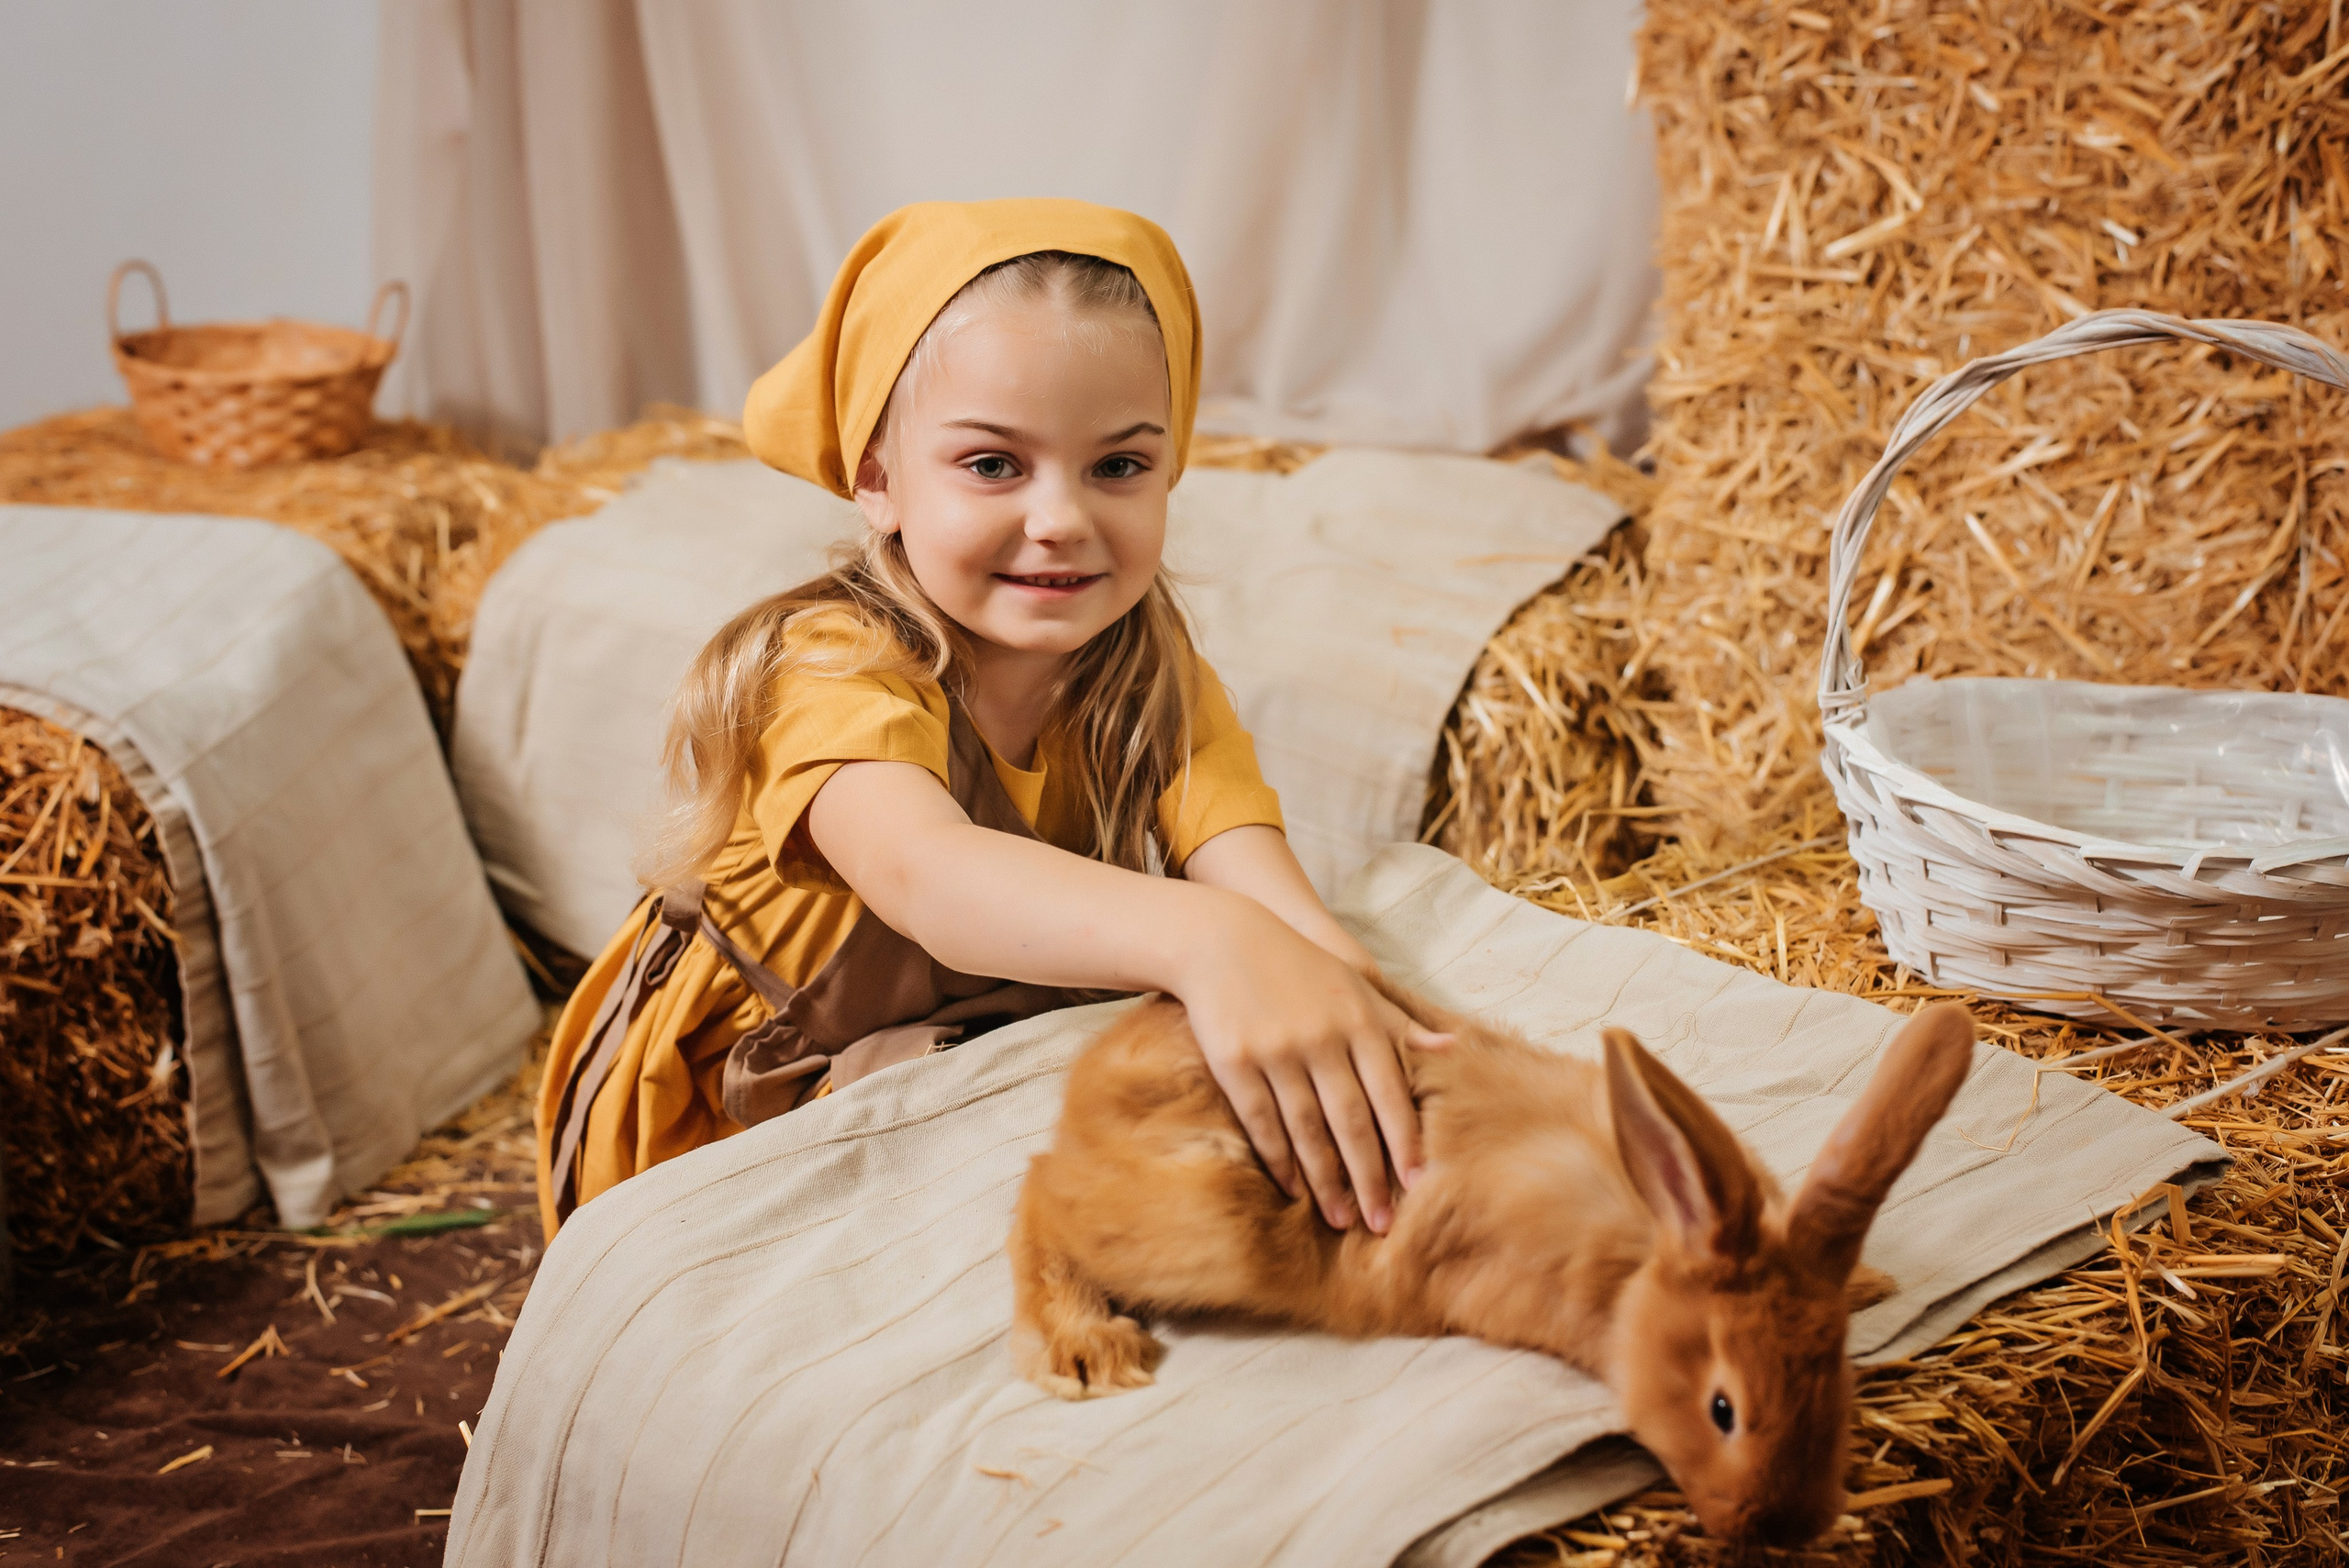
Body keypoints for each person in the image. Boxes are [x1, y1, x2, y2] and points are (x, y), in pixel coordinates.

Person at [535, 198, 1440, 1243]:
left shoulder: (1149, 669)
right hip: (744, 1089)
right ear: (878, 479)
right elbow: (933, 877)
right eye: (992, 465)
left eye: (1119, 466)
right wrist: (1211, 939)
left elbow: (1253, 873)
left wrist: (1359, 1001)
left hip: (949, 1045)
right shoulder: (833, 664)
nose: (1060, 519)